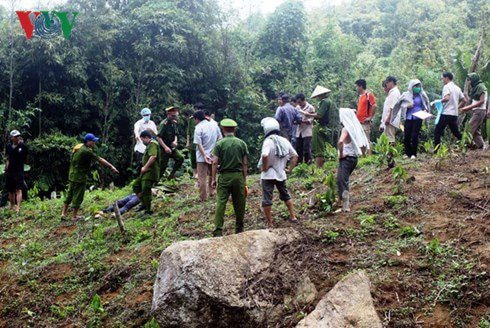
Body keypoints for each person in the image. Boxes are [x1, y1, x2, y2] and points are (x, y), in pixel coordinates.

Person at [61, 133, 119, 220]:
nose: (94, 143)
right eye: (93, 141)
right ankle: (74, 216)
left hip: (72, 175)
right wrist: (111, 167)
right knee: (78, 195)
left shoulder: (79, 146)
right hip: (80, 177)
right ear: (88, 142)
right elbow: (99, 159)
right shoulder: (86, 151)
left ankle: (63, 214)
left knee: (70, 194)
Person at [211, 119, 249, 237]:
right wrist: (244, 179)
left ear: (223, 129)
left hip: (224, 176)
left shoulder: (219, 144)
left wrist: (213, 179)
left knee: (221, 202)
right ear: (235, 129)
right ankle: (239, 228)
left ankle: (218, 231)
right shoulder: (242, 143)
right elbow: (245, 164)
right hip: (238, 176)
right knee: (240, 203)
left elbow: (214, 162)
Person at [259, 118, 299, 228]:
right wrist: (289, 169)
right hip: (281, 173)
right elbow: (295, 156)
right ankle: (293, 216)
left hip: (268, 175)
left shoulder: (268, 141)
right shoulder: (284, 141)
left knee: (267, 198)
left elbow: (265, 155)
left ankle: (270, 223)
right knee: (285, 195)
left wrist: (265, 167)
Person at [336, 108, 369, 212]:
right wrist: (363, 154)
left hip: (346, 158)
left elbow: (340, 142)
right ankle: (340, 201)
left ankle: (345, 206)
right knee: (343, 180)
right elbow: (363, 144)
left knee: (342, 181)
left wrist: (341, 154)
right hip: (354, 159)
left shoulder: (346, 129)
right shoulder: (355, 128)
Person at [391, 79, 430, 159]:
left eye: (418, 86)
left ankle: (414, 154)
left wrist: (425, 110)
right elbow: (399, 105)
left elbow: (426, 104)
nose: (417, 88)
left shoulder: (422, 94)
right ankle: (407, 153)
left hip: (418, 117)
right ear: (411, 86)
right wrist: (407, 106)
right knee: (407, 135)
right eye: (415, 86)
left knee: (415, 135)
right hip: (408, 117)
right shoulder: (405, 95)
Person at [193, 110, 222, 201]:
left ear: (197, 119)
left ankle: (203, 197)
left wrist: (205, 155)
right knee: (212, 174)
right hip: (213, 155)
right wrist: (214, 151)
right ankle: (212, 192)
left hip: (202, 157)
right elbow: (220, 138)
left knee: (202, 177)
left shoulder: (198, 128)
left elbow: (199, 144)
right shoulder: (214, 125)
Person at [309, 85, 339, 168]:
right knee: (325, 147)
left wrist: (307, 114)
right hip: (328, 127)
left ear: (320, 95)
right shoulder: (330, 101)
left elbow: (319, 115)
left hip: (321, 127)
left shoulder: (324, 102)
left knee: (318, 148)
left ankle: (319, 168)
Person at [434, 72, 466, 148]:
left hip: (446, 113)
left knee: (437, 132)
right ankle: (467, 144)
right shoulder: (457, 88)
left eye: (443, 78)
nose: (442, 80)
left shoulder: (446, 87)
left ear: (447, 78)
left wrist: (438, 101)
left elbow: (447, 98)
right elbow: (464, 100)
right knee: (455, 132)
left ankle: (437, 150)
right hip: (454, 114)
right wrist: (457, 107)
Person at [133, 130, 160, 214]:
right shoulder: (149, 145)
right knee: (136, 186)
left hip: (150, 171)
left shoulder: (153, 144)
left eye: (142, 140)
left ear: (146, 138)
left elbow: (153, 156)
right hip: (145, 171)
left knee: (146, 190)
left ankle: (148, 210)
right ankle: (143, 204)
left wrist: (145, 167)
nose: (142, 142)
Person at [460, 73, 488, 150]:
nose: (468, 82)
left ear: (474, 79)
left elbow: (481, 101)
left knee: (469, 128)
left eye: (469, 80)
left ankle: (464, 146)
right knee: (475, 131)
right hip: (477, 111)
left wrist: (467, 108)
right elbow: (474, 100)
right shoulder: (476, 88)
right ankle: (480, 146)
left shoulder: (481, 87)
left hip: (480, 111)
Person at [4, 130, 28, 213]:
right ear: (12, 138)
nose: (17, 137)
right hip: (10, 171)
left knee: (19, 189)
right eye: (15, 136)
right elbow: (8, 158)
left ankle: (18, 207)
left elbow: (25, 158)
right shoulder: (8, 147)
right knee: (11, 190)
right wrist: (6, 168)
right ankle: (12, 206)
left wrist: (21, 145)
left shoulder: (23, 146)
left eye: (18, 136)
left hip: (19, 171)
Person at [157, 106, 184, 180]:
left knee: (180, 158)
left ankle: (171, 176)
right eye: (173, 116)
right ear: (168, 114)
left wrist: (175, 141)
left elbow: (176, 134)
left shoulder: (174, 123)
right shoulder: (164, 124)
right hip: (163, 149)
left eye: (175, 115)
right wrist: (165, 147)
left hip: (172, 147)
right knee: (163, 166)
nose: (174, 117)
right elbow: (158, 137)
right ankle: (156, 181)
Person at [380, 76, 401, 168]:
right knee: (388, 139)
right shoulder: (392, 93)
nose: (386, 85)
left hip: (391, 120)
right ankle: (390, 161)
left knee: (390, 139)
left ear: (391, 82)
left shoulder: (394, 93)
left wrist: (387, 119)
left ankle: (391, 161)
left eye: (387, 83)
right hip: (390, 120)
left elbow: (392, 108)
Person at [355, 79, 377, 153]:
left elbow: (374, 106)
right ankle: (364, 156)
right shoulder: (361, 96)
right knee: (361, 139)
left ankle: (369, 156)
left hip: (365, 121)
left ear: (361, 86)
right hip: (359, 121)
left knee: (366, 139)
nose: (356, 88)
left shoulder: (368, 95)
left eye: (357, 86)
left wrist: (370, 117)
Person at [295, 93, 316, 164]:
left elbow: (311, 120)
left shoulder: (310, 107)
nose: (299, 104)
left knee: (306, 149)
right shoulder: (297, 108)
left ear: (304, 100)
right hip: (299, 131)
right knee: (298, 149)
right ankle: (299, 164)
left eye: (300, 102)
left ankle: (308, 163)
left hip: (307, 131)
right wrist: (296, 121)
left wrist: (302, 121)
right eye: (298, 102)